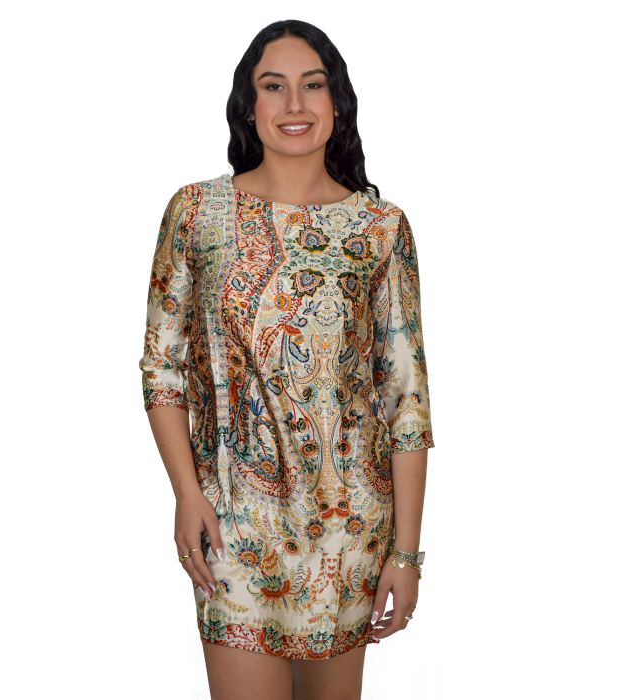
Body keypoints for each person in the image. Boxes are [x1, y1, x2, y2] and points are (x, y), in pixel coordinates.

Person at [138, 19, 435, 700]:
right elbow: (161, 367)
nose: (294, 105)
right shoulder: (195, 213)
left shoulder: (381, 228)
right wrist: (186, 493)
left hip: (350, 529)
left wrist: (407, 553)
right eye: (273, 87)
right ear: (248, 105)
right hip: (232, 521)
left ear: (338, 103)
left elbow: (407, 400)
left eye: (313, 85)